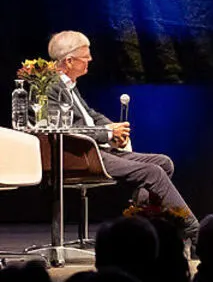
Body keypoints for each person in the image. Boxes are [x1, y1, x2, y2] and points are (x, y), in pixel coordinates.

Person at [46, 31, 200, 242]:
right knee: (153, 173)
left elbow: (91, 116)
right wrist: (108, 133)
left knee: (163, 163)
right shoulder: (51, 87)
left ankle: (138, 227)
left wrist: (112, 127)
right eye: (86, 56)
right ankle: (194, 231)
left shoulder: (69, 85)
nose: (90, 60)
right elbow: (64, 129)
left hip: (98, 150)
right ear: (69, 61)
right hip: (81, 155)